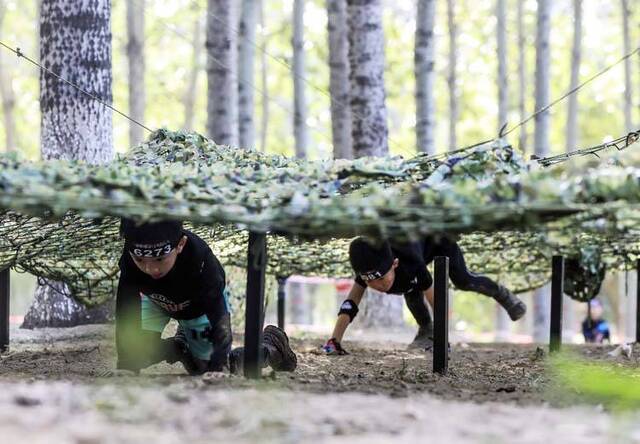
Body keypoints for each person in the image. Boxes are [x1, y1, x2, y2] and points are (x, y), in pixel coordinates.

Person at [114, 219, 297, 375]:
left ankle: (271, 346)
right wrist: (126, 364)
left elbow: (219, 316)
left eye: (160, 259)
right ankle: (181, 347)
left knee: (206, 369)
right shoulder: (130, 259)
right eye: (140, 260)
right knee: (137, 353)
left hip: (198, 307)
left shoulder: (202, 263)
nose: (150, 269)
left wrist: (218, 366)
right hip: (155, 300)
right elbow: (126, 308)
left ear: (180, 245)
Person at [323, 236, 526, 354]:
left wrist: (441, 338)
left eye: (382, 280)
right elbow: (350, 303)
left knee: (463, 280)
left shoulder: (412, 265)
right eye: (369, 281)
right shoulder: (371, 268)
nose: (377, 286)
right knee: (408, 288)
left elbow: (437, 302)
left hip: (438, 241)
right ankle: (424, 329)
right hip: (410, 253)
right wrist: (334, 341)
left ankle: (503, 294)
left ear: (394, 264)